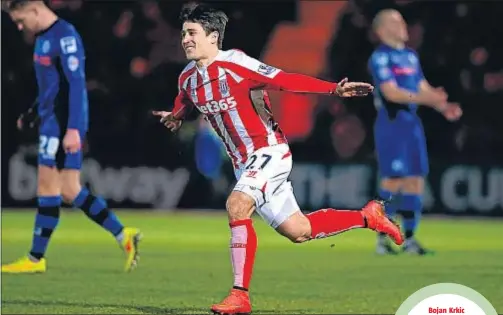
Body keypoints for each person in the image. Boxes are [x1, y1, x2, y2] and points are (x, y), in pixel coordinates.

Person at [152, 3, 403, 315]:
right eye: (183, 34)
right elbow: (185, 102)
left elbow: (285, 80)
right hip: (245, 163)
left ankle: (239, 296)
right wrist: (175, 118)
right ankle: (368, 216)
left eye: (192, 33)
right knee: (298, 231)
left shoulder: (237, 64)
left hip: (269, 152)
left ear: (213, 37)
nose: (185, 39)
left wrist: (333, 90)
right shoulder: (188, 79)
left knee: (237, 204)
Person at [1, 0, 141, 274]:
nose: (20, 27)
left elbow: (76, 85)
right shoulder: (43, 38)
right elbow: (52, 87)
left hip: (61, 125)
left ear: (33, 10)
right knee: (69, 190)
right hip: (50, 121)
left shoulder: (65, 36)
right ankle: (124, 235)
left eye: (20, 20)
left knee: (47, 185)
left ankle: (35, 258)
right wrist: (32, 112)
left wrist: (74, 128)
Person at [368, 9, 462, 255]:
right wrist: (426, 98)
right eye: (394, 22)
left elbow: (422, 86)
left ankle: (409, 239)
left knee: (415, 180)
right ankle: (381, 240)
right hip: (391, 123)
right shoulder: (381, 58)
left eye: (401, 21)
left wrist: (443, 106)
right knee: (393, 179)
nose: (402, 25)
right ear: (381, 30)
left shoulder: (410, 57)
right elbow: (391, 93)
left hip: (411, 123)